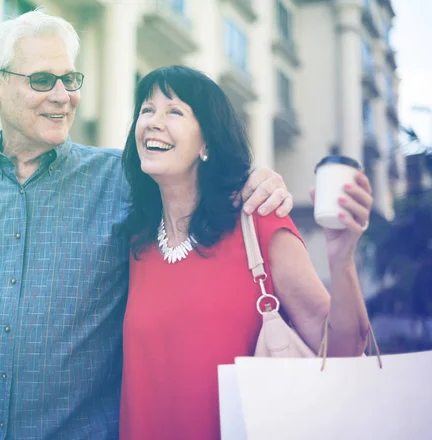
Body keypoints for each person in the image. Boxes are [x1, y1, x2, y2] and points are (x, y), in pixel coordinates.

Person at [0, 10, 294, 440]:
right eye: (42, 80)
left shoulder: (125, 181)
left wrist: (258, 179)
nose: (63, 96)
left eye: (70, 79)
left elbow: (195, 177)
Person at [119, 66, 373, 440]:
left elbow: (345, 349)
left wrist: (342, 260)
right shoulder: (136, 243)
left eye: (174, 111)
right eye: (147, 110)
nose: (154, 122)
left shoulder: (259, 225)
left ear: (207, 144)